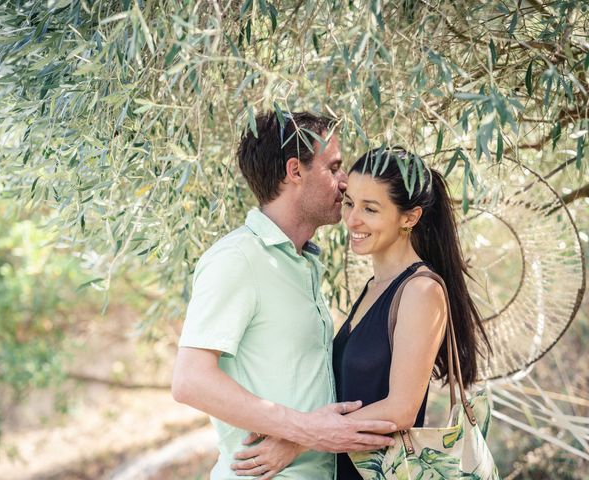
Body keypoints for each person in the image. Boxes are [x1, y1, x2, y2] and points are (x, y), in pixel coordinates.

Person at [232, 146, 490, 479]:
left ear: (409, 217)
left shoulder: (421, 291)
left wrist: (299, 440)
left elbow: (400, 410)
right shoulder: (374, 287)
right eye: (350, 203)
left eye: (370, 209)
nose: (352, 219)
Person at [171, 113, 397, 480]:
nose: (345, 183)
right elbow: (190, 381)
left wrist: (302, 438)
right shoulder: (238, 259)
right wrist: (304, 430)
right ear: (295, 171)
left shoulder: (301, 261)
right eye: (334, 167)